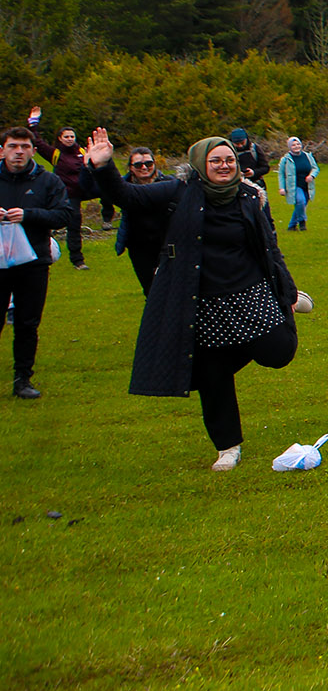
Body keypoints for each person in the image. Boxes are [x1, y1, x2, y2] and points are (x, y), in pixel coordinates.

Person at [94, 130, 300, 471]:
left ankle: (279, 317)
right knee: (212, 375)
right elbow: (127, 196)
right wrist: (103, 166)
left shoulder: (251, 196)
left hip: (251, 291)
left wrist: (287, 291)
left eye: (230, 160)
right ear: (200, 164)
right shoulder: (179, 192)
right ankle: (228, 448)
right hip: (203, 299)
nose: (224, 166)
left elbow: (270, 246)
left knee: (278, 352)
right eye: (216, 160)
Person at [0, 124, 70, 398]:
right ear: (2, 149)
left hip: (33, 262)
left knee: (27, 323)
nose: (19, 152)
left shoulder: (47, 181)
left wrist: (29, 215)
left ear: (33, 150)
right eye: (13, 147)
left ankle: (22, 379)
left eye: (25, 147)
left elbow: (64, 215)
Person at [28, 110, 89, 269]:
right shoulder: (55, 153)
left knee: (76, 224)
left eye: (72, 136)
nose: (69, 139)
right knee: (65, 223)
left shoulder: (82, 152)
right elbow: (37, 142)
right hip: (63, 194)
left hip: (80, 192)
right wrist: (33, 122)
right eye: (66, 136)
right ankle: (47, 254)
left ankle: (78, 260)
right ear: (60, 138)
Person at [111, 145, 169, 293]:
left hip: (166, 243)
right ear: (130, 167)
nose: (144, 167)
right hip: (139, 245)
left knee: (169, 287)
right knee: (150, 288)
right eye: (138, 165)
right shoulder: (123, 187)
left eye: (149, 164)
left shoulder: (169, 184)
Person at [279, 137, 317, 231]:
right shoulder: (286, 159)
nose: (296, 146)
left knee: (301, 206)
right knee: (300, 201)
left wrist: (312, 176)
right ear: (289, 147)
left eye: (298, 144)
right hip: (294, 186)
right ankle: (302, 222)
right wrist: (282, 188)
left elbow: (315, 168)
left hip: (307, 186)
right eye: (293, 145)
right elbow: (281, 174)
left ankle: (291, 226)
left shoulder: (308, 156)